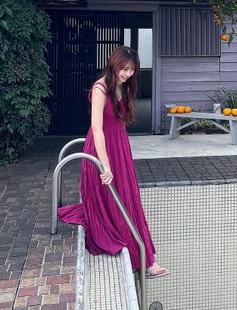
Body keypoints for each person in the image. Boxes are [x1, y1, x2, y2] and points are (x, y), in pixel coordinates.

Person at [58, 46, 169, 279]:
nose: (128, 74)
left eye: (132, 70)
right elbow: (97, 129)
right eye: (124, 68)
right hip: (102, 148)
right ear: (114, 64)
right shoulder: (100, 88)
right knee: (114, 198)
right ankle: (144, 259)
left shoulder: (123, 86)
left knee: (129, 198)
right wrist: (104, 164)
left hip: (120, 146)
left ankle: (147, 259)